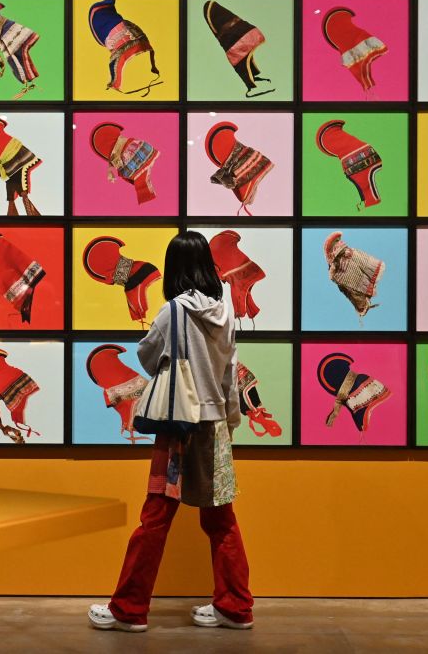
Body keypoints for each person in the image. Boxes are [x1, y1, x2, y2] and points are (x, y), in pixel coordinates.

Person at [88, 231, 254, 632]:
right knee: (221, 521)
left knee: (156, 518)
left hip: (180, 425)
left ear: (176, 268)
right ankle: (235, 607)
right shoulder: (226, 310)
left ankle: (129, 609)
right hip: (214, 426)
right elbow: (230, 373)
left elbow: (147, 357)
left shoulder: (172, 312)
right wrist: (230, 419)